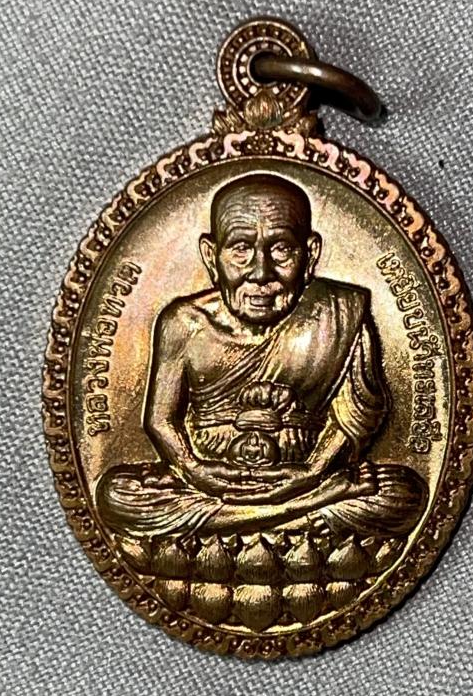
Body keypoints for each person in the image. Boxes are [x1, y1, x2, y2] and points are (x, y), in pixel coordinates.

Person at [97, 174, 427, 541]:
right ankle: (296, 515)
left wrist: (313, 471)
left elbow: (358, 417)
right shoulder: (185, 324)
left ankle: (242, 522)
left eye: (281, 249)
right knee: (117, 496)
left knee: (404, 495)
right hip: (210, 482)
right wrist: (192, 468)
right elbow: (160, 420)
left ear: (310, 254)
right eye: (240, 249)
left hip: (306, 473)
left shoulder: (341, 313)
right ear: (211, 255)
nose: (260, 273)